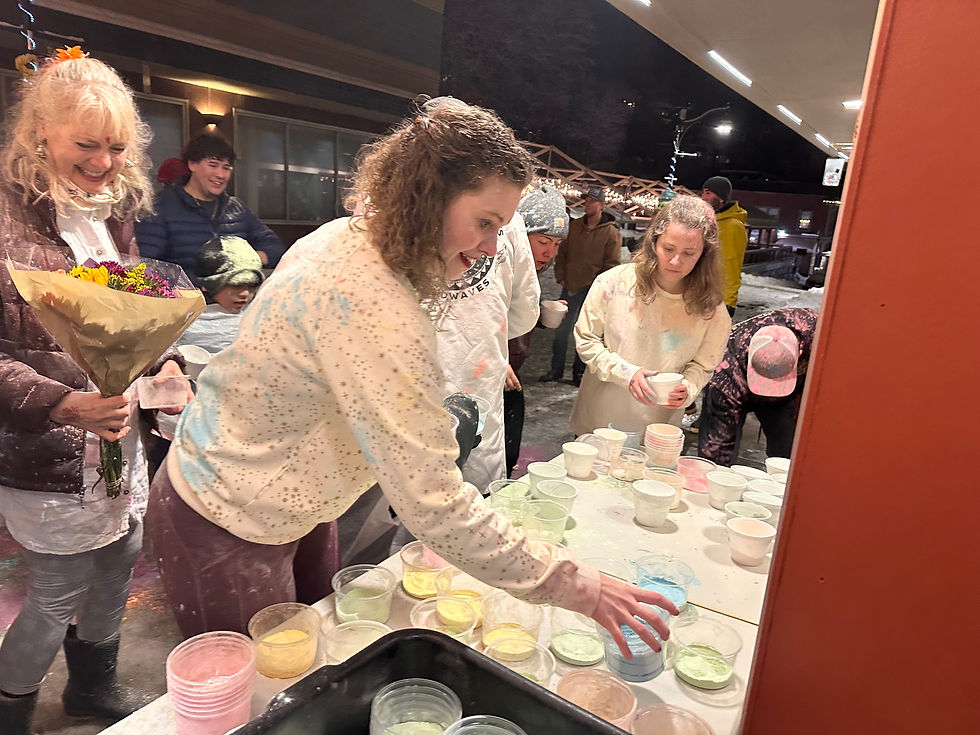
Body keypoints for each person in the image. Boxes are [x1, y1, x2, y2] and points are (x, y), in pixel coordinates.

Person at [145, 97, 677, 654]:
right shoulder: (369, 293)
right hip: (227, 506)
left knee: (315, 651)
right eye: (484, 223)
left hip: (301, 497)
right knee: (261, 687)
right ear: (429, 196)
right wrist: (580, 588)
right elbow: (434, 503)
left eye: (502, 228)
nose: (491, 248)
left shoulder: (359, 237)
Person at [0, 51, 186, 732]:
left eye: (114, 146)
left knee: (122, 557)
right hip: (48, 442)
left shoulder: (107, 212)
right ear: (39, 131)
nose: (104, 163)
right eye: (86, 144)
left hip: (116, 431)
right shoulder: (7, 220)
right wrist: (63, 404)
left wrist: (166, 361)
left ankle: (91, 690)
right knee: (54, 591)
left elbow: (134, 296)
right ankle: (10, 712)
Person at [570, 195, 732, 435]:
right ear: (654, 241)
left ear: (704, 254)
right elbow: (586, 339)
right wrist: (626, 373)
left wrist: (688, 388)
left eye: (689, 253)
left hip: (658, 430)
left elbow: (703, 366)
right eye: (668, 248)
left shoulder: (712, 310)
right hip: (599, 421)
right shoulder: (614, 283)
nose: (675, 261)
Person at [436, 205, 540, 491]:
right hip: (477, 381)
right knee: (469, 498)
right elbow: (525, 311)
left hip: (402, 401)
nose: (491, 248)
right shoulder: (512, 218)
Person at [135, 133, 286, 279]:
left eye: (226, 168)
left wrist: (247, 259)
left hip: (236, 300)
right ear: (192, 164)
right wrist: (206, 283)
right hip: (187, 300)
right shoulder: (159, 207)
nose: (221, 175)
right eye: (213, 165)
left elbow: (276, 249)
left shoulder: (236, 208)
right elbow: (147, 266)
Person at [698, 308, 818, 466]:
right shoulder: (723, 374)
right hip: (733, 385)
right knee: (715, 461)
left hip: (788, 395)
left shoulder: (815, 330)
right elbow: (717, 447)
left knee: (789, 453)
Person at [504, 185, 568, 476]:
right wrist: (496, 359)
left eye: (557, 244)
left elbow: (513, 312)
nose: (550, 252)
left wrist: (540, 314)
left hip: (511, 378)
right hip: (488, 378)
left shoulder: (530, 271)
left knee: (507, 454)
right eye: (543, 240)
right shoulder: (501, 264)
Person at [541, 187, 621, 386]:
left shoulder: (610, 233)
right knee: (561, 331)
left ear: (601, 205)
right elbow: (562, 254)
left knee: (585, 333)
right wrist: (561, 277)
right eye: (586, 200)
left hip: (592, 290)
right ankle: (556, 369)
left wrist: (599, 288)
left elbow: (611, 265)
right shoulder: (574, 227)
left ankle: (579, 373)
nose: (587, 204)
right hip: (569, 286)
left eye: (592, 201)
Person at [176, 235, 264, 354]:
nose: (245, 293)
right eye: (236, 285)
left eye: (252, 286)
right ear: (209, 284)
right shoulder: (181, 318)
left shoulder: (262, 319)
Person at [700, 175, 748, 317]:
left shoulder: (732, 226)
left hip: (714, 301)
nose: (703, 197)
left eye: (708, 193)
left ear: (721, 198)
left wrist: (728, 303)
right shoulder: (709, 222)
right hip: (699, 294)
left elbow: (730, 265)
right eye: (702, 193)